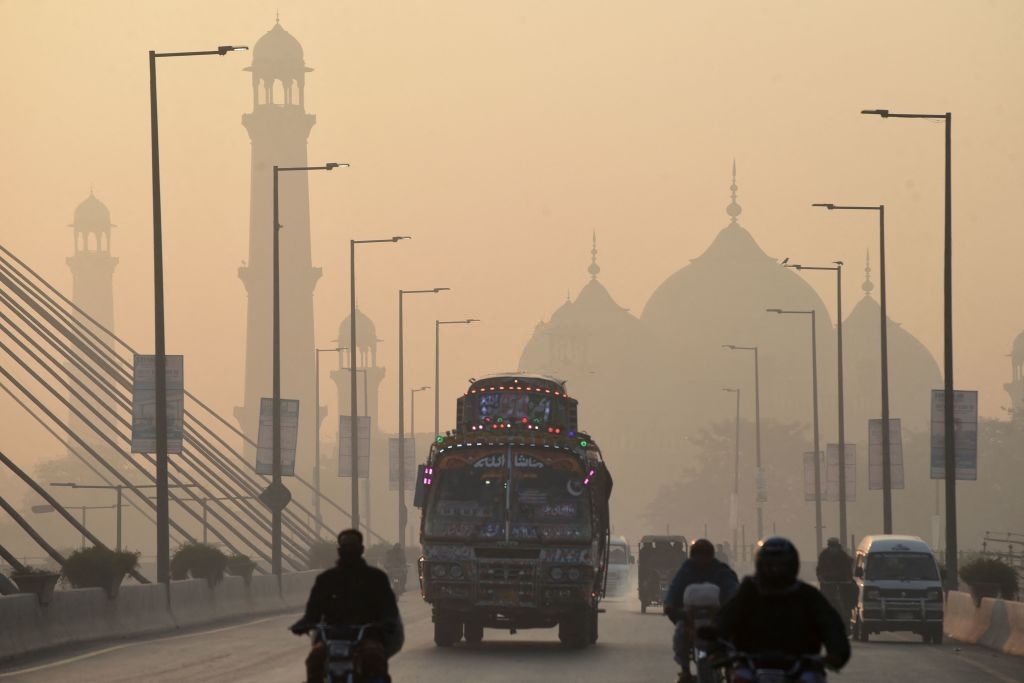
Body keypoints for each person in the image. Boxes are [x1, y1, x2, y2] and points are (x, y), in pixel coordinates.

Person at [718, 537, 850, 683]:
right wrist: (714, 643)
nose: (776, 571)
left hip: (800, 667)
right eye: (771, 565)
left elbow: (830, 624)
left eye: (782, 566)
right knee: (740, 677)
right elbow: (725, 619)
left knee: (811, 679)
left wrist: (838, 652)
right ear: (761, 565)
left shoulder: (807, 594)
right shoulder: (748, 592)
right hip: (752, 666)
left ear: (792, 566)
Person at [290, 529, 404, 683]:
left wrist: (387, 622)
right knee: (314, 659)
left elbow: (389, 609)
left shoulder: (376, 578)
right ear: (339, 550)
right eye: (346, 547)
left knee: (374, 657)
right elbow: (313, 611)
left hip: (366, 636)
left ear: (361, 550)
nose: (349, 551)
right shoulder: (326, 579)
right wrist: (304, 623)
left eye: (353, 547)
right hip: (332, 638)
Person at [664, 539, 740, 683]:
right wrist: (670, 606)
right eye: (698, 555)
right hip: (690, 620)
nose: (701, 559)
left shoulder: (721, 571)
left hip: (718, 619)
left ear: (711, 556)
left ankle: (731, 670)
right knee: (680, 636)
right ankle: (685, 670)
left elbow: (733, 591)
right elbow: (674, 591)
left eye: (705, 555)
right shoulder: (686, 571)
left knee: (733, 641)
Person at [816, 537, 855, 619]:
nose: (833, 549)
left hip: (842, 581)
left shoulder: (843, 555)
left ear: (838, 546)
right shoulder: (824, 555)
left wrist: (849, 579)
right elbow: (819, 569)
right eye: (831, 546)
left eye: (834, 546)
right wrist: (821, 578)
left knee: (852, 590)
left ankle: (849, 609)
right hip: (828, 582)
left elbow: (848, 568)